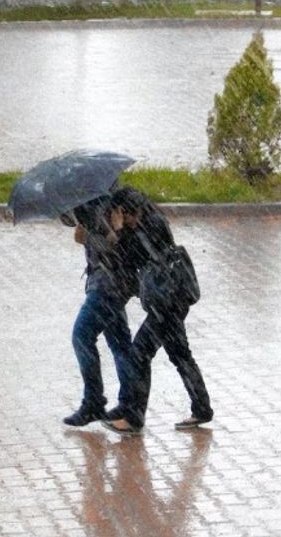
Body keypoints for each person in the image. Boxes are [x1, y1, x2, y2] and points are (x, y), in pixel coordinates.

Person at [102, 186, 214, 434]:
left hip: (166, 304)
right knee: (180, 354)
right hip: (175, 298)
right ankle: (202, 408)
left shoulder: (143, 229)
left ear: (124, 211)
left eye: (118, 214)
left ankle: (133, 418)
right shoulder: (153, 220)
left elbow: (126, 258)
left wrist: (119, 232)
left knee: (139, 354)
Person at [61, 195, 140, 427]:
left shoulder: (104, 203)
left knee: (82, 336)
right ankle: (130, 405)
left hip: (108, 284)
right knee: (120, 343)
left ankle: (94, 401)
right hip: (112, 283)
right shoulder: (90, 199)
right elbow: (69, 219)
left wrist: (88, 238)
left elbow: (116, 246)